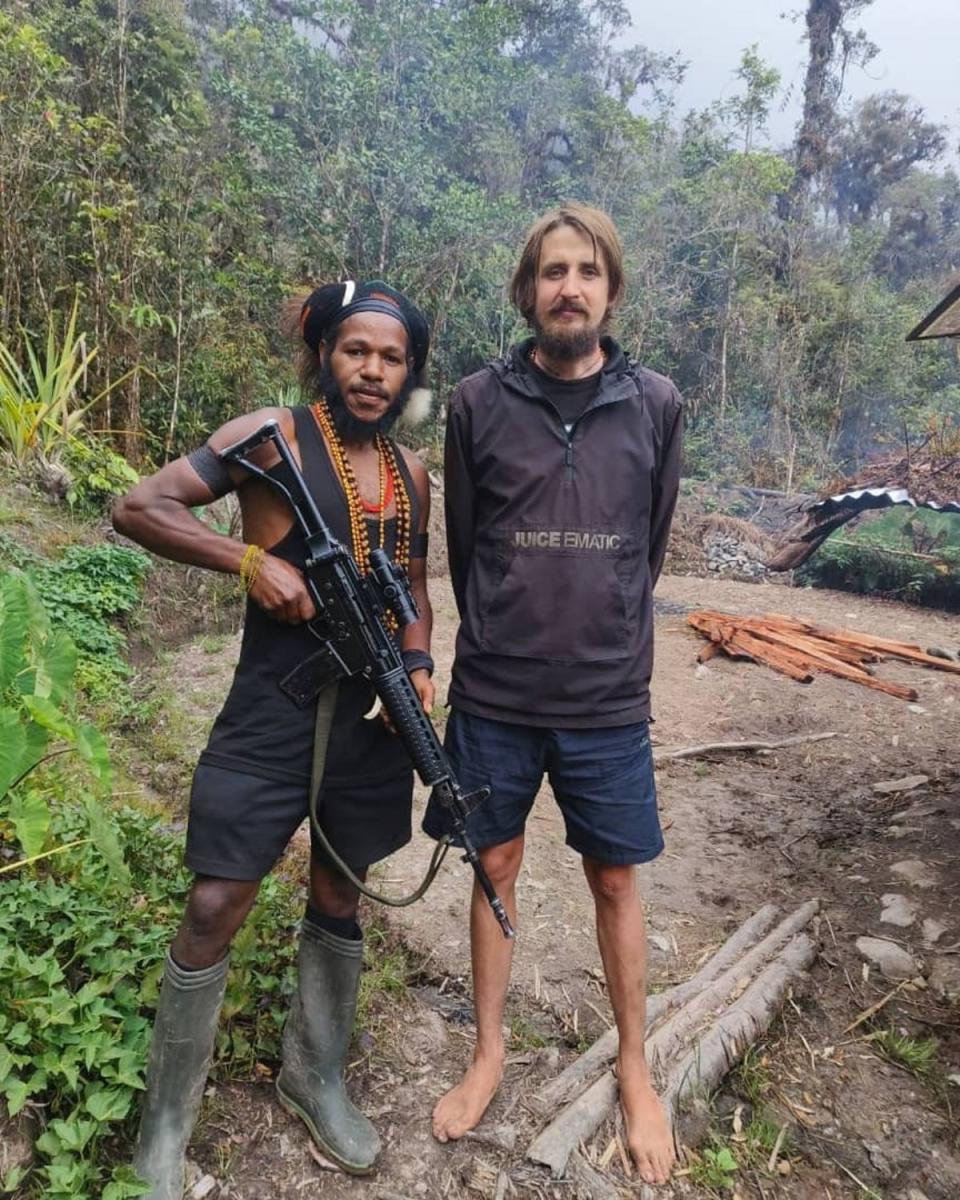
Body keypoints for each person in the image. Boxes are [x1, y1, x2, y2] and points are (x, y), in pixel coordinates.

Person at [113, 280, 436, 1197]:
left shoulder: (410, 474)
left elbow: (414, 583)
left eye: (391, 357)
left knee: (343, 887)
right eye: (356, 351)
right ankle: (164, 1129)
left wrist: (417, 671)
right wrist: (247, 560)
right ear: (326, 352)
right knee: (217, 901)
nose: (372, 371)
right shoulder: (274, 436)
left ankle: (314, 1074)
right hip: (271, 706)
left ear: (409, 371)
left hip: (371, 714)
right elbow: (139, 508)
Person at [424, 204, 682, 1186]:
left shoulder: (654, 403)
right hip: (496, 689)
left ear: (611, 290)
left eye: (585, 271)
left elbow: (648, 548)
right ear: (526, 291)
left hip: (609, 694)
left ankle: (634, 1062)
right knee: (493, 863)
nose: (567, 286)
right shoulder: (474, 405)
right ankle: (487, 1051)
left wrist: (605, 614)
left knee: (615, 876)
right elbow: (465, 544)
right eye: (550, 272)